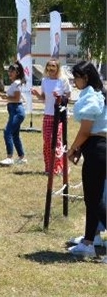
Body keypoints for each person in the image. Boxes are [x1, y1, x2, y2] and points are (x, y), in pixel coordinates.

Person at [65, 61, 107, 260]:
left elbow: (86, 130)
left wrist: (73, 148)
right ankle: (88, 243)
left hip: (98, 149)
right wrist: (80, 149)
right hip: (96, 148)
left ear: (86, 77)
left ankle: (90, 242)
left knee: (94, 200)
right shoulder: (95, 94)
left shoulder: (92, 97)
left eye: (77, 77)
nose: (74, 81)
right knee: (93, 199)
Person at [31, 59, 71, 175]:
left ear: (57, 68)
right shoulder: (45, 81)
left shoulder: (63, 80)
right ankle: (49, 167)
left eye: (53, 66)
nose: (51, 69)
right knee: (47, 141)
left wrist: (60, 96)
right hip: (48, 114)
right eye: (49, 66)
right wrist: (37, 94)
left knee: (57, 141)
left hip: (60, 115)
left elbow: (68, 95)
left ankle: (58, 167)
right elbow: (43, 98)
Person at [0, 62, 27, 165]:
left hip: (17, 110)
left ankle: (9, 157)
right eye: (9, 70)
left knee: (7, 132)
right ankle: (21, 157)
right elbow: (12, 96)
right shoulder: (15, 83)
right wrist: (2, 94)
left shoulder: (17, 83)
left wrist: (5, 97)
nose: (9, 73)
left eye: (12, 71)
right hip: (14, 110)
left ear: (17, 72)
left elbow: (16, 99)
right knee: (15, 134)